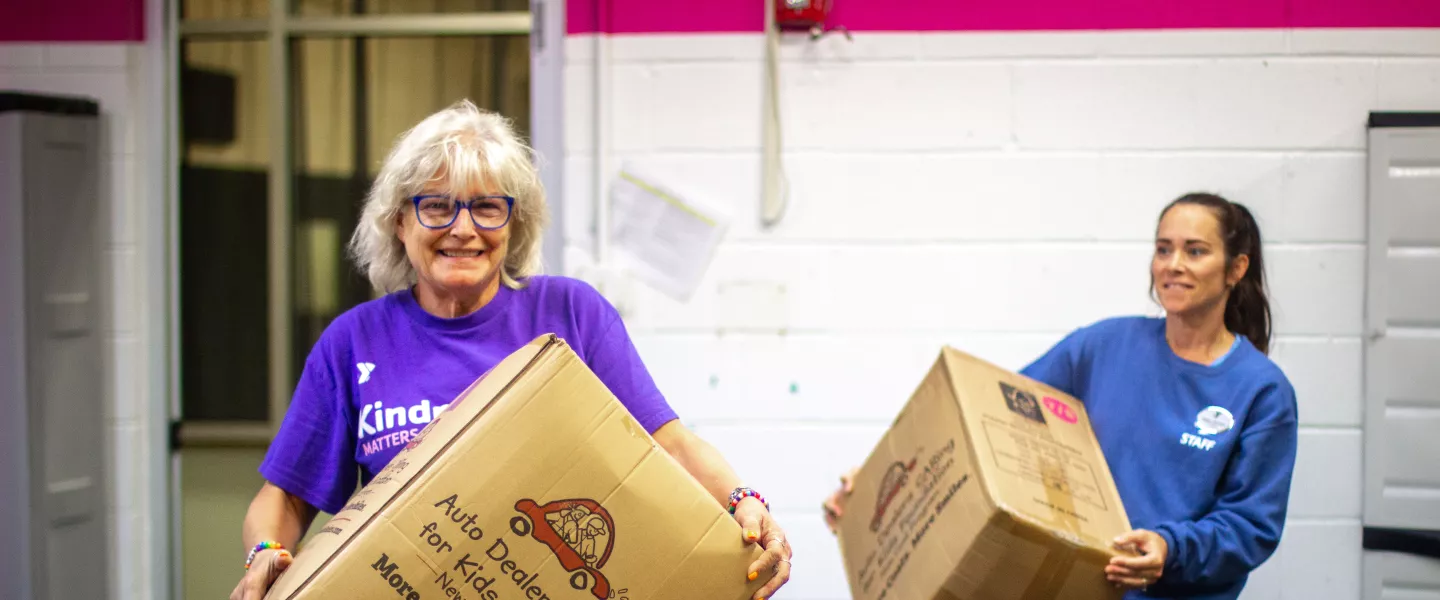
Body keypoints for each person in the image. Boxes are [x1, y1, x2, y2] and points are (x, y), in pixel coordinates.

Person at [230, 100, 792, 600]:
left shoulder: (570, 314)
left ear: (513, 222)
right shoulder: (354, 342)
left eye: (486, 207)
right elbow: (287, 498)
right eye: (437, 206)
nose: (462, 228)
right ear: (399, 221)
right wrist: (265, 556)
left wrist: (742, 499)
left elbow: (665, 441)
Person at [822, 193, 1298, 600]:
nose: (1173, 265)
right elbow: (980, 416)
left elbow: (1250, 525)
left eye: (1195, 252)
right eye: (1163, 249)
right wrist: (878, 481)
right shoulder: (1102, 347)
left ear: (1236, 267)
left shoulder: (1260, 390)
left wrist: (1169, 548)